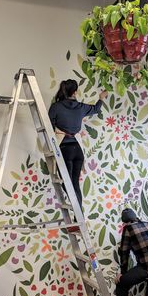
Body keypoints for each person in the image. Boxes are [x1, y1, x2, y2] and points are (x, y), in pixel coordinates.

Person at [48, 79, 107, 210]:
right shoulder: (81, 107)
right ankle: (79, 216)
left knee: (67, 183)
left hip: (64, 149)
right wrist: (101, 98)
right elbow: (96, 109)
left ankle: (77, 213)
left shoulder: (55, 107)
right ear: (75, 92)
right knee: (74, 183)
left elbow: (49, 128)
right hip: (78, 150)